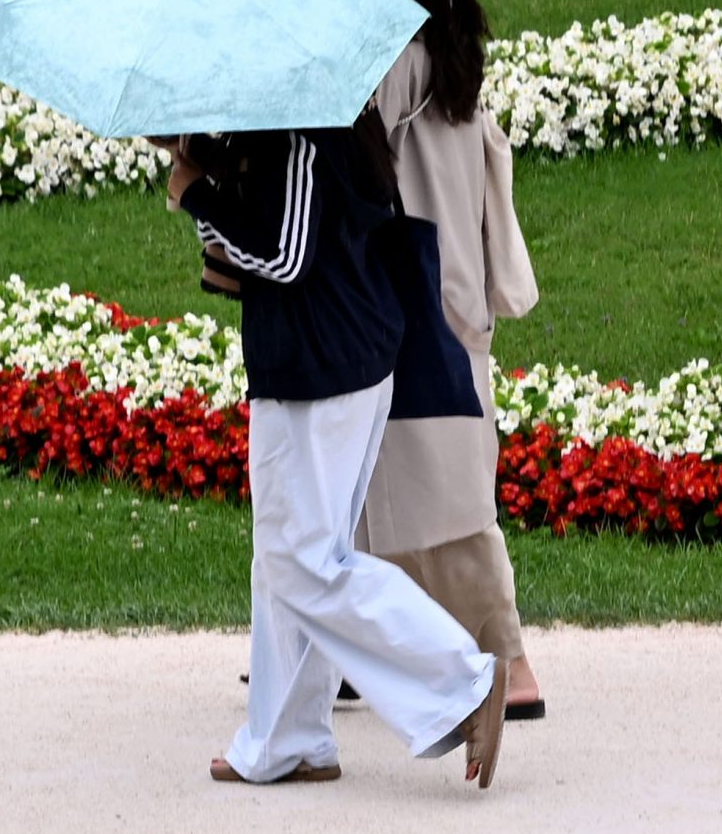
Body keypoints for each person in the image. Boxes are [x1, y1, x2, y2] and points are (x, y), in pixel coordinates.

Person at [168, 115, 508, 789]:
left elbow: (283, 256)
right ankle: (288, 739)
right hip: (331, 360)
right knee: (289, 557)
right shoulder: (311, 128)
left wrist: (198, 194)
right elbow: (259, 243)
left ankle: (463, 678)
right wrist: (203, 171)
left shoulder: (299, 136)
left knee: (304, 562)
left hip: (320, 369)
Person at [345, 0, 547, 718]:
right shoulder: (449, 46)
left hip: (412, 287)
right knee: (406, 474)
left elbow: (361, 168)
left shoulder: (395, 56)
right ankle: (355, 646)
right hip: (452, 280)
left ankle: (510, 658)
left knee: (434, 486)